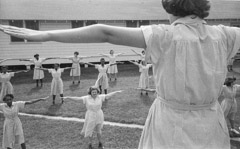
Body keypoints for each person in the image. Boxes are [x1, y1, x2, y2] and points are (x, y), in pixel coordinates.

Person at [1, 0, 240, 148]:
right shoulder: (226, 34)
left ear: (171, 7)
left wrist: (46, 35)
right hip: (210, 121)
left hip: (172, 121)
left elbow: (105, 33)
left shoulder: (164, 35)